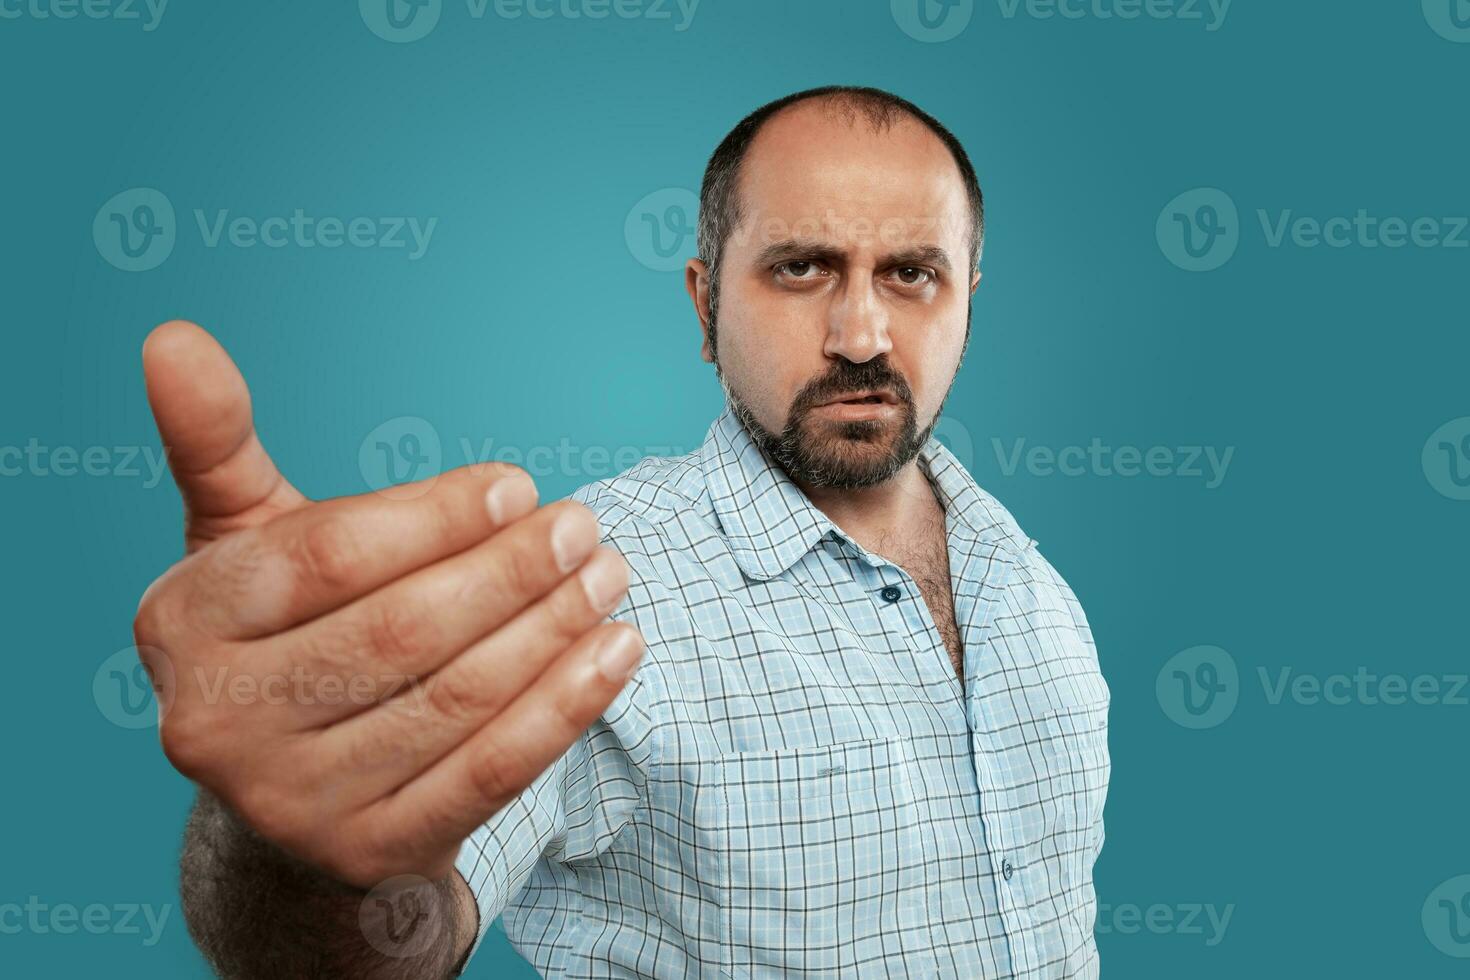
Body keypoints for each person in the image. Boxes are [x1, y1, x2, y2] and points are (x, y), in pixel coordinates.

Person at [137, 85, 1109, 979]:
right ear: (705, 303)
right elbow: (386, 932)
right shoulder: (592, 585)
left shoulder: (1027, 580)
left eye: (910, 274)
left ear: (968, 302)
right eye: (801, 267)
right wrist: (292, 845)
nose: (860, 334)